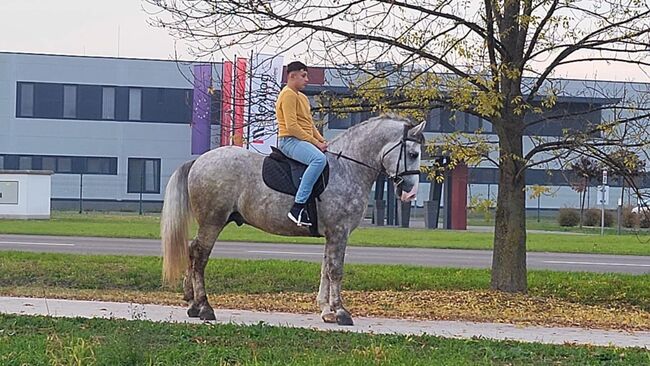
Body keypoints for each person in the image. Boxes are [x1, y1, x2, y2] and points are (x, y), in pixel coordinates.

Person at [276, 61, 328, 226]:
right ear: (292, 76)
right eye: (303, 75)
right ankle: (297, 208)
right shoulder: (288, 94)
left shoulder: (303, 97)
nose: (307, 79)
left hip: (302, 140)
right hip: (289, 141)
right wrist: (315, 143)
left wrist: (321, 140)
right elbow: (292, 127)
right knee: (318, 160)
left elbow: (310, 125)